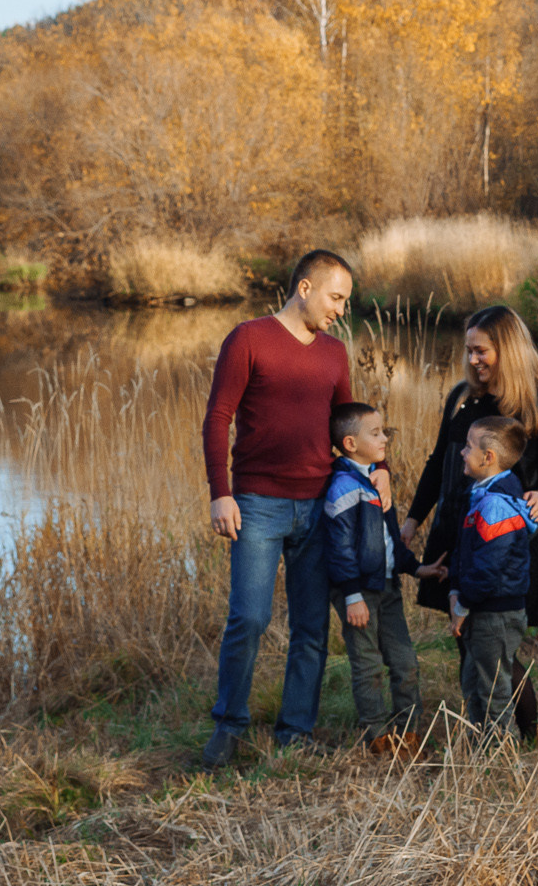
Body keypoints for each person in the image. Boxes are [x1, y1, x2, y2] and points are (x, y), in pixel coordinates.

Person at [199, 248, 355, 769]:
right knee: (249, 617)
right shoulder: (249, 338)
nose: (340, 309)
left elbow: (346, 429)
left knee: (312, 627)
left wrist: (377, 468)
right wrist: (220, 491)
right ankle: (230, 726)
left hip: (318, 507)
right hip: (257, 505)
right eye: (336, 297)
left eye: (346, 301)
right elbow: (218, 415)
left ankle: (295, 732)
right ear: (305, 288)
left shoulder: (335, 353)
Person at [404, 303, 538, 739]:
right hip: (455, 534)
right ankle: (485, 730)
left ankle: (526, 736)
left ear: (509, 350)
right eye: (469, 350)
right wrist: (412, 521)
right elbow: (438, 462)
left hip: (506, 543)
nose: (473, 360)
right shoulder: (462, 398)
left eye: (482, 351)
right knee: (470, 642)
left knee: (498, 648)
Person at [322, 401, 422, 756]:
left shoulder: (377, 481)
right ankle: (379, 738)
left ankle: (410, 733)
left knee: (405, 662)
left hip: (388, 586)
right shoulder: (343, 488)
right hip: (359, 592)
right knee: (368, 665)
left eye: (384, 431)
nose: (385, 439)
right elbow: (339, 548)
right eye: (375, 433)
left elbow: (390, 537)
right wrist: (351, 595)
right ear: (350, 444)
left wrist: (415, 567)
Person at [428, 414, 536, 736]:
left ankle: (501, 754)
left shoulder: (496, 506)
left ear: (488, 458)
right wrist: (454, 591)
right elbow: (464, 551)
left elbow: (488, 568)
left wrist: (463, 604)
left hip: (496, 612)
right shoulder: (479, 494)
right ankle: (479, 747)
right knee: (474, 681)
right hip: (482, 607)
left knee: (493, 689)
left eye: (468, 447)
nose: (462, 452)